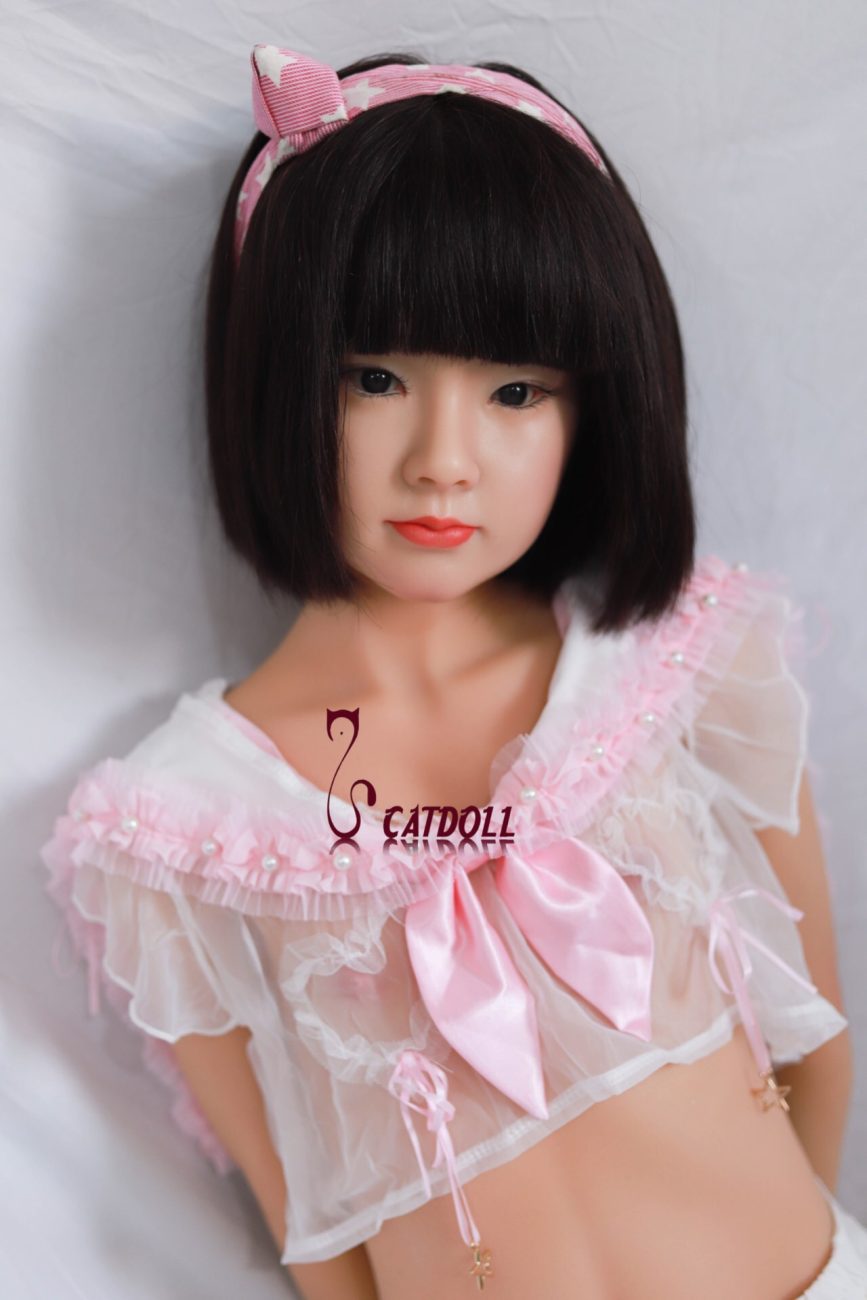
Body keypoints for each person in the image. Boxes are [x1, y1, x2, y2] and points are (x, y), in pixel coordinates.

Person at [40, 43, 867, 1300]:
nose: (443, 458)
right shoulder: (181, 834)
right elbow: (317, 1234)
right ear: (277, 379)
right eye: (376, 379)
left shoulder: (678, 668)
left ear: (594, 409)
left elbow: (819, 1039)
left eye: (516, 391)